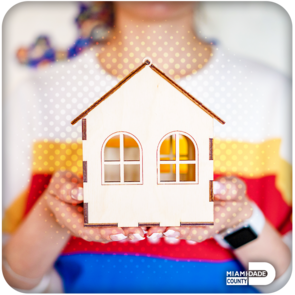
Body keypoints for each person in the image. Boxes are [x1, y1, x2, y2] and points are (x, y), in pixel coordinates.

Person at [1, 0, 293, 293]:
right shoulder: (37, 99)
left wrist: (240, 223)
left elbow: (271, 279)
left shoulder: (275, 97)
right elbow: (17, 281)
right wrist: (52, 218)